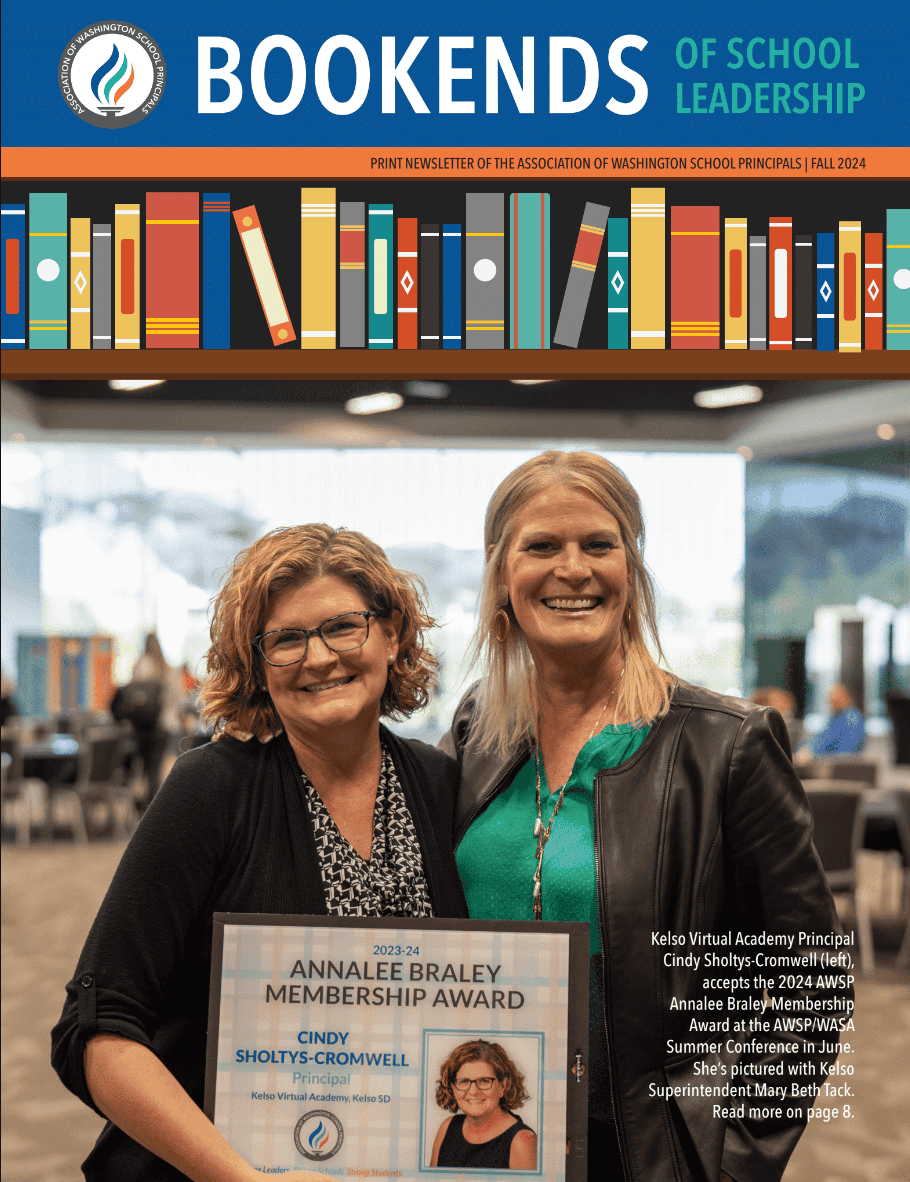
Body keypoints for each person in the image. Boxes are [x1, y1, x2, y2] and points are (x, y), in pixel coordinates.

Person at [442, 451, 853, 1182]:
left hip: (641, 1152)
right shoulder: (479, 726)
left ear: (631, 571)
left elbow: (811, 980)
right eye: (542, 546)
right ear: (502, 575)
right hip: (485, 1140)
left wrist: (732, 1160)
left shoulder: (724, 744)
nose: (573, 568)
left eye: (599, 545)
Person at [52, 524, 468, 1182]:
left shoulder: (440, 785)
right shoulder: (211, 790)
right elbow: (95, 1030)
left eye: (342, 626)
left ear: (391, 634)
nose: (318, 656)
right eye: (286, 639)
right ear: (257, 664)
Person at [430, 1040, 537, 1170]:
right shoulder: (447, 1127)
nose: (474, 1091)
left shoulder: (523, 1141)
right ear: (453, 1087)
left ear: (503, 1085)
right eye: (464, 1081)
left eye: (484, 1081)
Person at [806, 682, 866, 756]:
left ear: (846, 697)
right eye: (831, 701)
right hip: (830, 760)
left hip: (842, 763)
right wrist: (808, 750)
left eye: (835, 701)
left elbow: (846, 750)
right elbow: (822, 738)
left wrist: (811, 752)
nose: (832, 705)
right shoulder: (836, 717)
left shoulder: (853, 719)